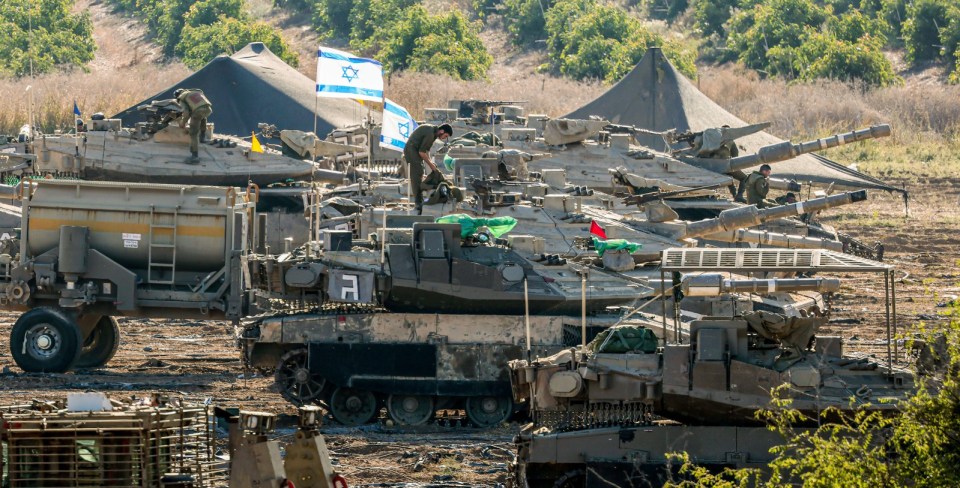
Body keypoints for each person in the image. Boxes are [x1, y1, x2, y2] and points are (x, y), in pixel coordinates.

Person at [403, 123, 453, 214]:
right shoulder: (430, 133)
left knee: (420, 172)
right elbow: (422, 152)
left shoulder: (433, 133)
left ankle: (419, 199)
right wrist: (431, 165)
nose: (444, 138)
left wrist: (431, 162)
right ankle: (418, 202)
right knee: (417, 174)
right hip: (411, 150)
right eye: (445, 136)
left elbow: (426, 150)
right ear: (442, 131)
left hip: (415, 150)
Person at [174, 88, 213, 163]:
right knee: (202, 118)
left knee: (193, 134)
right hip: (208, 109)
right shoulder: (194, 92)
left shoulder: (182, 97)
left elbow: (186, 114)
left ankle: (194, 156)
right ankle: (202, 137)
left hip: (198, 112)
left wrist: (182, 123)